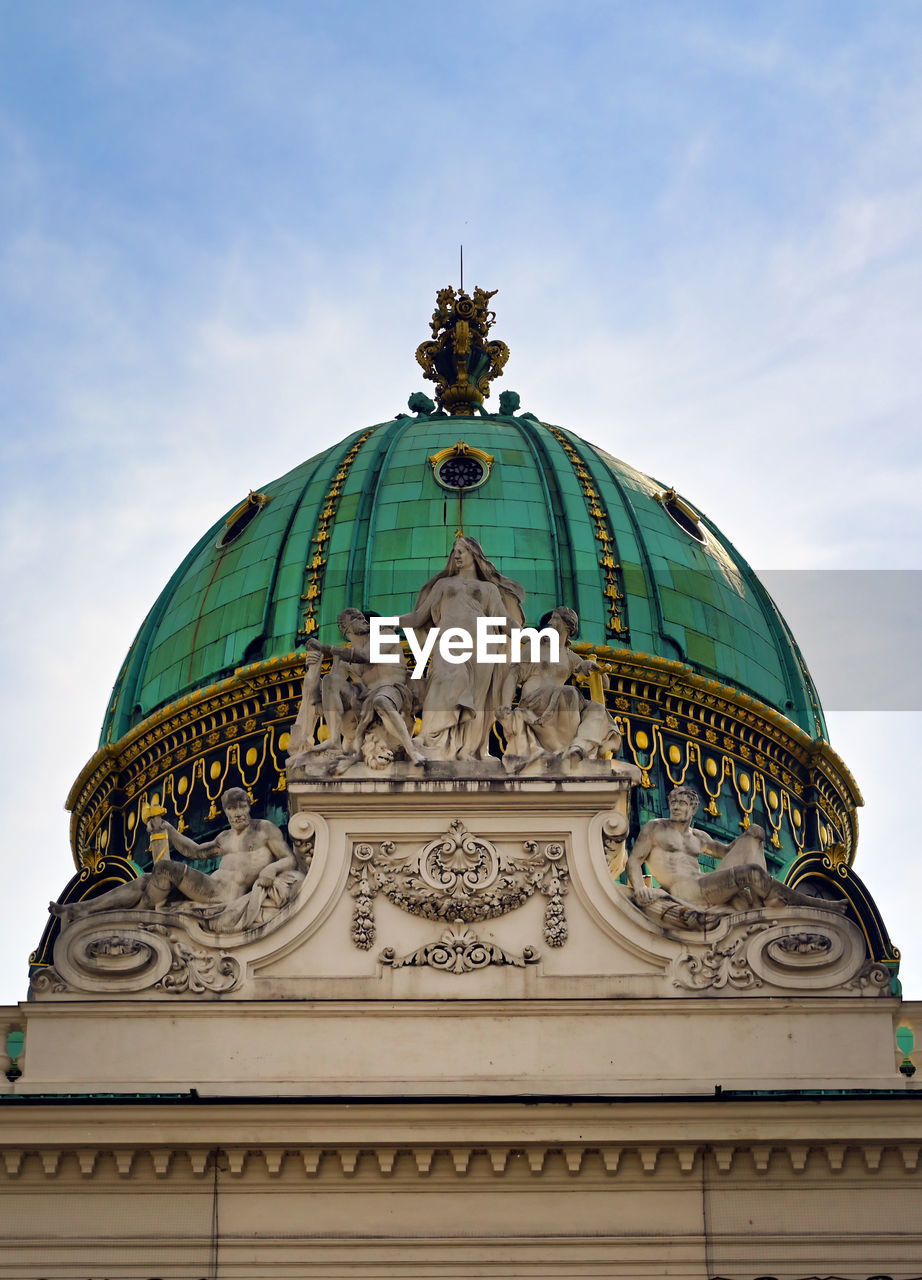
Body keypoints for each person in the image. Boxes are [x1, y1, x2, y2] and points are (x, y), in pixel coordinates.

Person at [50, 789, 295, 926]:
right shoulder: (224, 838)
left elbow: (289, 859)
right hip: (208, 887)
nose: (237, 813)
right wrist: (168, 829)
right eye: (232, 809)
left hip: (223, 895)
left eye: (241, 807)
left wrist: (271, 870)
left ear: (248, 806)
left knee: (164, 868)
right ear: (226, 812)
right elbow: (194, 852)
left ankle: (139, 915)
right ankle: (81, 909)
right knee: (146, 880)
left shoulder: (264, 829)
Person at [398, 537, 525, 761]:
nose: (457, 556)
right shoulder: (443, 585)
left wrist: (528, 637)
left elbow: (504, 620)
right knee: (444, 679)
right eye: (455, 552)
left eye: (462, 551)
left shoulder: (489, 589)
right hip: (449, 640)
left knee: (478, 697)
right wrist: (390, 622)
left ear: (474, 555)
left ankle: (471, 750)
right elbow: (418, 617)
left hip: (483, 641)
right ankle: (431, 739)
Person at [627, 785, 846, 914]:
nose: (675, 806)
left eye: (682, 803)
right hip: (685, 890)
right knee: (751, 872)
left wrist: (753, 833)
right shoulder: (655, 828)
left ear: (693, 808)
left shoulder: (699, 837)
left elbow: (728, 851)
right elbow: (634, 861)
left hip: (705, 883)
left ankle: (761, 902)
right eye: (673, 802)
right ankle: (813, 905)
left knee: (752, 839)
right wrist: (639, 888)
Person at [498, 606, 621, 771]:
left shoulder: (569, 657)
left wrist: (592, 667)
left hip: (561, 705)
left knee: (597, 709)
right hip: (534, 703)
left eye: (555, 618)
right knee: (570, 692)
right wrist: (505, 706)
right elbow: (513, 675)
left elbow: (604, 683)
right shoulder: (535, 647)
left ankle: (578, 748)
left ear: (567, 627)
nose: (549, 622)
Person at [306, 609, 424, 768]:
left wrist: (328, 649)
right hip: (366, 698)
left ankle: (412, 751)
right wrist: (314, 669)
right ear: (346, 628)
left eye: (363, 618)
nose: (364, 621)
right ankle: (334, 740)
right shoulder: (344, 659)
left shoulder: (385, 635)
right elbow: (324, 699)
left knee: (380, 701)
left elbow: (367, 656)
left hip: (392, 690)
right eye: (357, 618)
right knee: (330, 680)